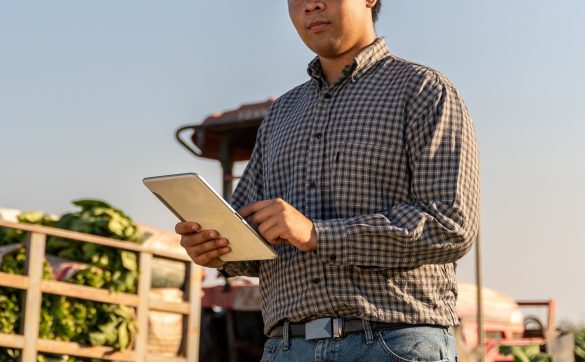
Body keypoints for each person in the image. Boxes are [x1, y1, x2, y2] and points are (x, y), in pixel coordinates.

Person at [176, 0, 479, 360]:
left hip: (393, 344)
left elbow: (450, 224)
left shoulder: (424, 92)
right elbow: (251, 240)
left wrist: (317, 234)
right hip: (287, 347)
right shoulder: (280, 116)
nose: (311, 5)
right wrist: (217, 248)